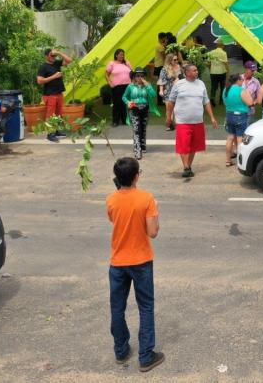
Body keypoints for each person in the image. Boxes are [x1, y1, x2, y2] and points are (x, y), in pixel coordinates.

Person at [106, 157, 164, 371]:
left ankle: (121, 351)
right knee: (146, 307)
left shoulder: (111, 199)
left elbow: (114, 219)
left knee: (117, 308)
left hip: (118, 262)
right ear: (136, 176)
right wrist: (155, 212)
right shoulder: (147, 199)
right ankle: (146, 355)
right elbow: (153, 232)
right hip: (141, 261)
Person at [166, 64, 218, 178]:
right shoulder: (179, 85)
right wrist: (168, 116)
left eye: (197, 70)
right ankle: (186, 167)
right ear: (187, 73)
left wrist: (212, 117)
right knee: (184, 145)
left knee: (194, 146)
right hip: (183, 121)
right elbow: (171, 102)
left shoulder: (201, 84)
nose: (197, 72)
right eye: (194, 70)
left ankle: (188, 166)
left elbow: (206, 101)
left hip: (198, 120)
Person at [37, 47, 73, 142]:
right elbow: (39, 81)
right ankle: (50, 134)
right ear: (46, 56)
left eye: (54, 55)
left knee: (58, 114)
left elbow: (69, 60)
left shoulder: (56, 63)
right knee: (50, 115)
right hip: (50, 94)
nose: (53, 57)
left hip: (59, 93)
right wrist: (54, 76)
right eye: (51, 55)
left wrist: (59, 53)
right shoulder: (43, 67)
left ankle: (56, 131)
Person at [123, 68, 160, 160]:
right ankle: (137, 151)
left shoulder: (147, 86)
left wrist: (148, 85)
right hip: (134, 109)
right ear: (134, 77)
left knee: (143, 129)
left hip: (145, 109)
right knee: (136, 130)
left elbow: (154, 95)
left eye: (142, 76)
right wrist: (127, 102)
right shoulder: (130, 86)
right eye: (138, 76)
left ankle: (143, 146)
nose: (140, 77)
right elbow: (124, 97)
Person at [223, 74, 253, 167]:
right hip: (240, 116)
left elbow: (225, 102)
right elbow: (250, 103)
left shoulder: (226, 90)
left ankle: (228, 160)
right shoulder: (241, 90)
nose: (243, 81)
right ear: (238, 80)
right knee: (240, 138)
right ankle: (241, 162)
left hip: (229, 115)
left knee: (230, 137)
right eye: (242, 80)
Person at [106, 49, 133, 127]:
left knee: (125, 103)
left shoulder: (126, 63)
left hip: (127, 86)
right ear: (116, 55)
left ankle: (125, 120)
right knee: (117, 103)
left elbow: (132, 72)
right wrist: (110, 83)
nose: (122, 56)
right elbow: (106, 75)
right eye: (121, 54)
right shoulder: (112, 63)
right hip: (117, 86)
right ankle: (115, 121)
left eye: (123, 54)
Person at [158, 53, 182, 131]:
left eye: (177, 59)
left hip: (179, 90)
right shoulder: (165, 69)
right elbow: (161, 79)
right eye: (174, 60)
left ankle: (178, 123)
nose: (176, 61)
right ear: (170, 60)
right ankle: (169, 124)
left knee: (178, 108)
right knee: (169, 109)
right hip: (168, 90)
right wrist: (161, 90)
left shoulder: (179, 67)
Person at [207, 39, 229, 106]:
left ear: (217, 45)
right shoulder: (224, 53)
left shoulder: (211, 52)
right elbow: (226, 63)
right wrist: (228, 70)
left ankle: (212, 99)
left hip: (213, 72)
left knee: (213, 87)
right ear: (223, 46)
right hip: (222, 72)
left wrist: (210, 68)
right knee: (222, 87)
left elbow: (208, 63)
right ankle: (221, 101)